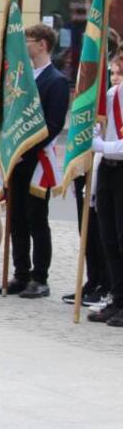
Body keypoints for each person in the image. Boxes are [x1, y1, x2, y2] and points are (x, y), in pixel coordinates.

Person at [0, 23, 69, 299]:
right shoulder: (19, 79)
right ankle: (20, 272)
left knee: (37, 219)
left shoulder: (57, 81)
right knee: (16, 219)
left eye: (28, 40)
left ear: (42, 45)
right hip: (16, 159)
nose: (23, 44)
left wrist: (24, 144)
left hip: (37, 160)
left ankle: (40, 277)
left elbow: (53, 124)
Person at [89, 56, 123, 325]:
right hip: (109, 171)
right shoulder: (110, 95)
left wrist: (103, 146)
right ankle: (117, 297)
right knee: (108, 239)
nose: (116, 70)